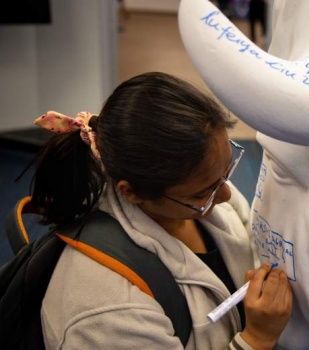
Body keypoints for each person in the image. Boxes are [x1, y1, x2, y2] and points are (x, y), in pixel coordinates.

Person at [32, 72, 292, 349]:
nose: (227, 195)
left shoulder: (197, 188)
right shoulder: (108, 310)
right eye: (202, 193)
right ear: (132, 192)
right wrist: (257, 338)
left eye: (226, 172)